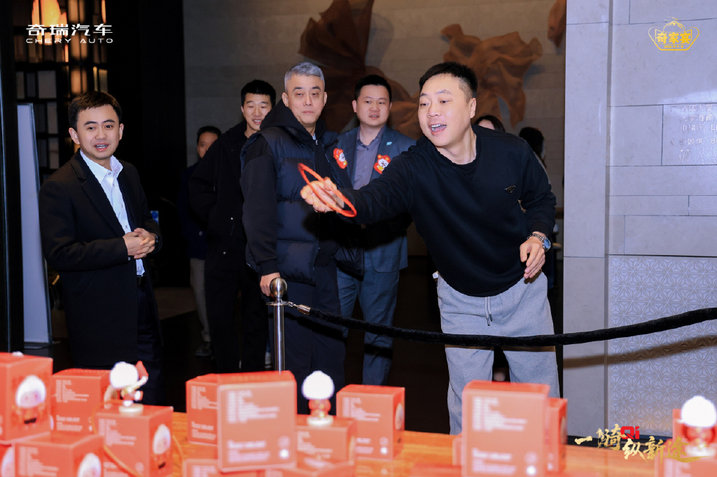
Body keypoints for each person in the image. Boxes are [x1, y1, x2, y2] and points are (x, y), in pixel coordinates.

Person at [301, 62, 560, 433]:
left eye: (443, 100)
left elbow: (541, 199)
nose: (431, 111)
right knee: (468, 407)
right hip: (460, 300)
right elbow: (374, 199)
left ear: (471, 107)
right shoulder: (414, 166)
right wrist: (339, 199)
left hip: (523, 290)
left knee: (541, 399)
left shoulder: (511, 151)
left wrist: (538, 236)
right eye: (424, 103)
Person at [39, 91, 164, 404]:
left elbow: (145, 221)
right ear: (74, 135)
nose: (100, 135)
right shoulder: (60, 186)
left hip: (142, 301)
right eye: (90, 127)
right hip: (98, 313)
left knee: (149, 389)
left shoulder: (128, 173)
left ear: (120, 130)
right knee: (107, 400)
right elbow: (60, 253)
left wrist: (152, 237)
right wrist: (121, 248)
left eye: (108, 126)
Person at [240, 62, 352, 413]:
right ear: (286, 99)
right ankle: (295, 434)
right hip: (288, 274)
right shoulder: (267, 143)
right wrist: (267, 266)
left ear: (325, 99)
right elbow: (256, 210)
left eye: (314, 93)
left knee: (331, 358)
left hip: (325, 268)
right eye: (299, 93)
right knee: (295, 363)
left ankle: (328, 430)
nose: (307, 101)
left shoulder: (331, 143)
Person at [188, 80, 275, 372]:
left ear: (273, 108)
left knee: (256, 320)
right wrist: (217, 218)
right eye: (251, 105)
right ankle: (225, 377)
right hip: (224, 246)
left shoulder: (277, 143)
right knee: (220, 319)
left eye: (263, 106)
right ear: (242, 108)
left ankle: (253, 376)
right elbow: (197, 185)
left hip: (260, 249)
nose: (257, 112)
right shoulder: (225, 144)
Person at [335, 74, 414, 385]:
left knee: (378, 333)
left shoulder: (406, 148)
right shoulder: (336, 145)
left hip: (382, 251)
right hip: (341, 251)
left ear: (390, 107)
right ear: (355, 106)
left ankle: (372, 400)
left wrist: (382, 225)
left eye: (381, 102)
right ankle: (328, 398)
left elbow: (409, 204)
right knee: (332, 328)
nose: (375, 107)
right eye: (368, 101)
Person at [178, 125, 220, 357]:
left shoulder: (230, 172)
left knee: (224, 294)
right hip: (199, 245)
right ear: (197, 148)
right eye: (203, 145)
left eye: (212, 145)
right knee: (201, 292)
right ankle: (208, 338)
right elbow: (183, 212)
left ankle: (224, 338)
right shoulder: (189, 175)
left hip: (225, 246)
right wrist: (192, 237)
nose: (207, 149)